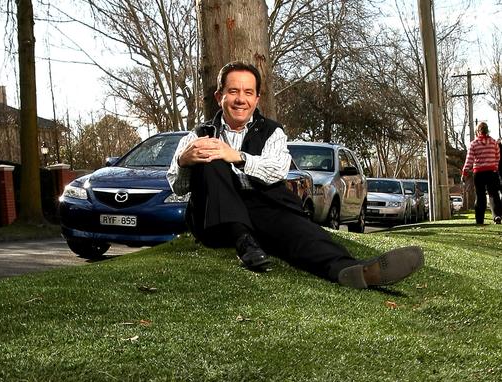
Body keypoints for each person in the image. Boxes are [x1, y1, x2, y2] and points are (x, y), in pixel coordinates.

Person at [168, 61, 424, 288]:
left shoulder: (272, 132)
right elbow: (177, 186)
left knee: (300, 232)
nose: (240, 99)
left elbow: (276, 171)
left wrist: (237, 156)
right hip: (215, 221)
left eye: (248, 92)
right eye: (233, 91)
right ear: (219, 96)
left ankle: (351, 270)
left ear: (257, 99)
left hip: (262, 208)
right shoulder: (198, 134)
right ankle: (243, 240)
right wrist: (184, 161)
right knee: (209, 153)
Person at [461, 121, 502, 225]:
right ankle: (497, 215)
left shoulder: (473, 144)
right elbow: (498, 157)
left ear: (477, 132)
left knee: (480, 196)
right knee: (493, 194)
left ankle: (480, 219)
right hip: (492, 172)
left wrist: (464, 173)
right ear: (487, 130)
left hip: (479, 173)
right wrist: (495, 167)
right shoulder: (493, 142)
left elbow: (469, 160)